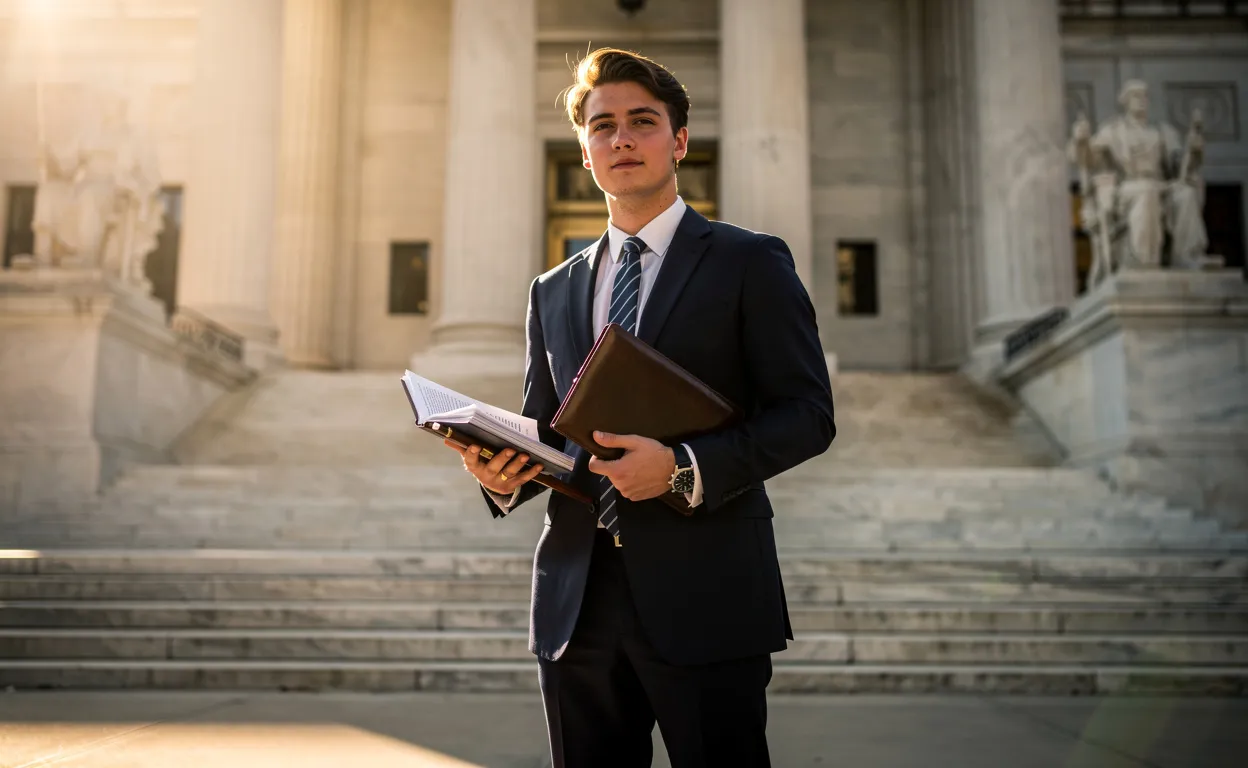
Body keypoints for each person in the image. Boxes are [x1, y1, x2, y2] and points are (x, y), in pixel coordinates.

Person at [445, 47, 835, 768]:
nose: (621, 138)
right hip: (576, 604)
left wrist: (683, 467)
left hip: (709, 594)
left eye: (642, 122)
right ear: (585, 152)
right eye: (603, 126)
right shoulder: (551, 289)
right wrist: (503, 474)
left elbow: (808, 413)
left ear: (679, 141)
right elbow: (549, 430)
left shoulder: (749, 262)